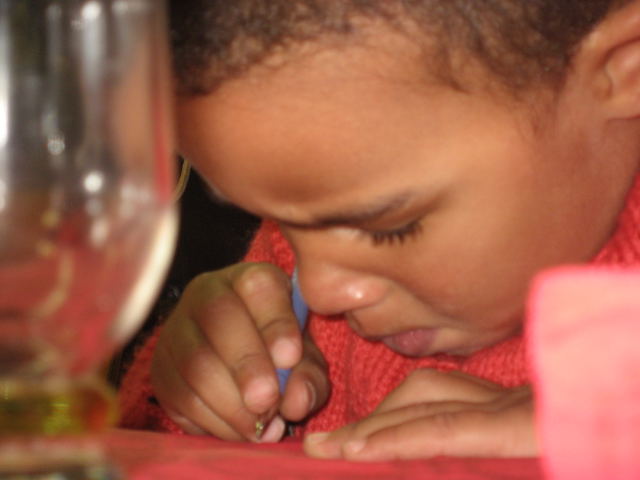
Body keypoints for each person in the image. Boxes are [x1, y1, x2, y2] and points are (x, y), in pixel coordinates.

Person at [118, 0, 640, 461]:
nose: (319, 292)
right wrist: (196, 388)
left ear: (626, 68)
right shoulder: (314, 257)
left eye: (391, 228)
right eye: (278, 221)